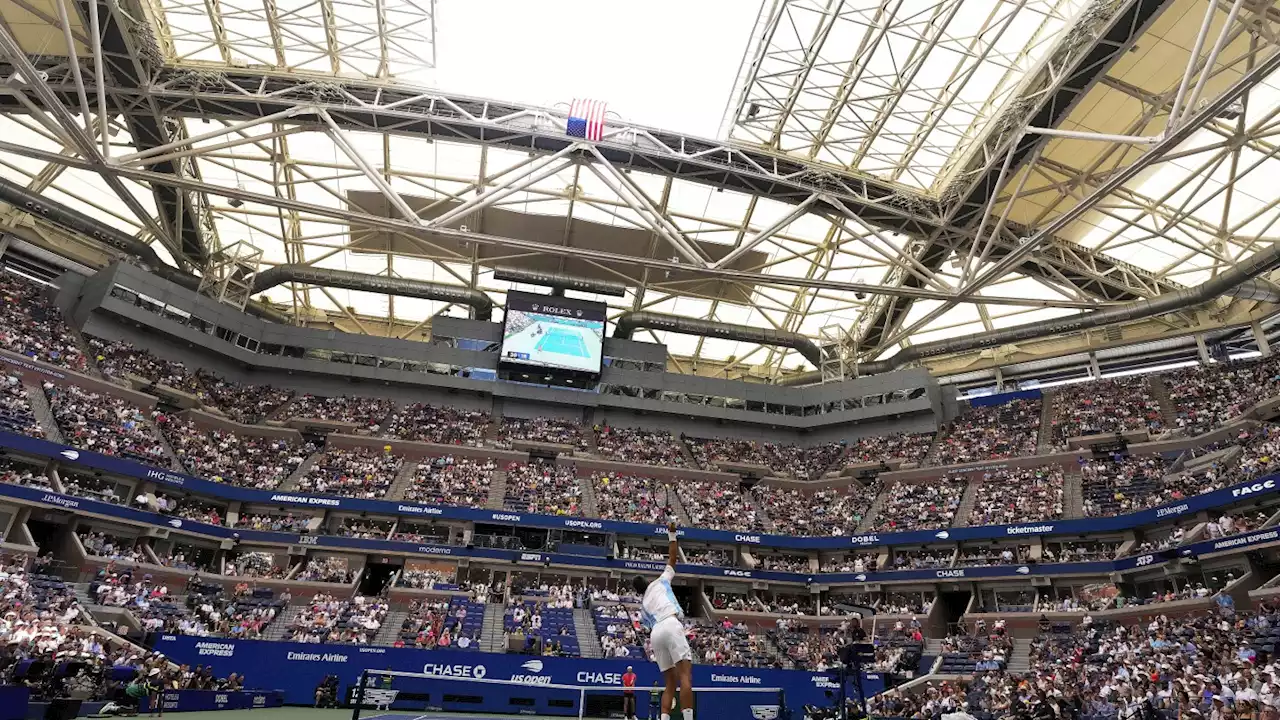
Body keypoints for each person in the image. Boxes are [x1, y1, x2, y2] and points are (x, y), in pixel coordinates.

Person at [631, 521, 693, 720]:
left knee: (669, 683)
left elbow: (646, 626)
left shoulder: (643, 607)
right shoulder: (661, 581)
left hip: (655, 633)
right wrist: (672, 534)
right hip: (670, 624)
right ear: (647, 582)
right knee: (684, 676)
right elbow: (673, 558)